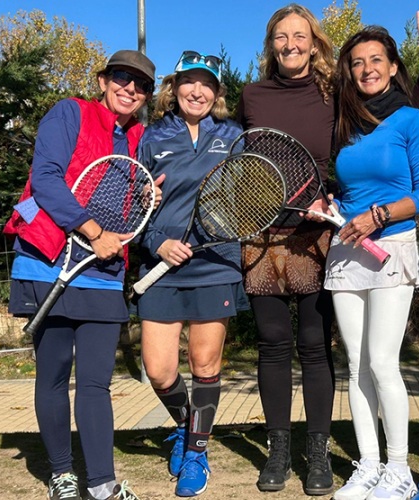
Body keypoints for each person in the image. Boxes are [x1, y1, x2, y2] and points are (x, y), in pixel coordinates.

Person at [237, 4, 419, 496]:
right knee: (347, 361)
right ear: (271, 43)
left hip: (363, 242)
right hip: (304, 241)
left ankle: (385, 468)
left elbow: (401, 114)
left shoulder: (340, 98)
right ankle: (361, 464)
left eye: (300, 34)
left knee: (367, 360)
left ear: (315, 42)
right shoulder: (267, 98)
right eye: (281, 35)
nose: (291, 43)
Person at [4, 50, 158, 500]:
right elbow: (46, 179)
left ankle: (102, 484)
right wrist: (92, 231)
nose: (130, 88)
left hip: (103, 273)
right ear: (103, 80)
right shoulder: (69, 113)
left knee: (96, 383)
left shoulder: (139, 138)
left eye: (141, 84)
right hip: (48, 261)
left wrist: (146, 194)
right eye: (122, 78)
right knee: (53, 374)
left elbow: (126, 204)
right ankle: (61, 475)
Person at [324, 26, 419, 500]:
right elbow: (343, 188)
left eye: (375, 60)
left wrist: (378, 216)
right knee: (356, 363)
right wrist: (334, 205)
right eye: (358, 62)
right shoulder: (344, 125)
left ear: (392, 66)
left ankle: (400, 471)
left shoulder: (412, 120)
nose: (367, 69)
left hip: (392, 246)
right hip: (347, 248)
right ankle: (368, 466)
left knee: (384, 362)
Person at [135, 50, 247, 498]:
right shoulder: (150, 137)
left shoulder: (233, 136)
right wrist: (157, 241)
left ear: (217, 92)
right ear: (174, 87)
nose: (197, 91)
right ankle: (187, 426)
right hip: (160, 265)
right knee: (159, 370)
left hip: (214, 264)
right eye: (188, 82)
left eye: (207, 84)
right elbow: (135, 205)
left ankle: (197, 452)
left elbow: (248, 196)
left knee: (205, 365)